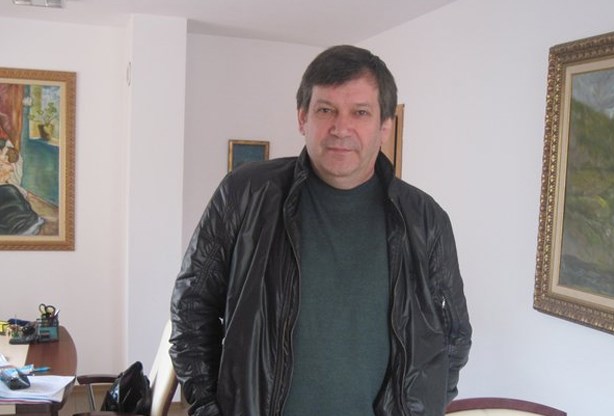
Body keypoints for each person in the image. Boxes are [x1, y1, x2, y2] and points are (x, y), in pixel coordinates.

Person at [170, 45, 472, 416]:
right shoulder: (245, 193)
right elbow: (192, 306)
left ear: (385, 126)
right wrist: (206, 405)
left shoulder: (426, 220)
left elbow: (454, 335)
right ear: (302, 118)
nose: (341, 128)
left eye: (360, 112)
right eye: (326, 110)